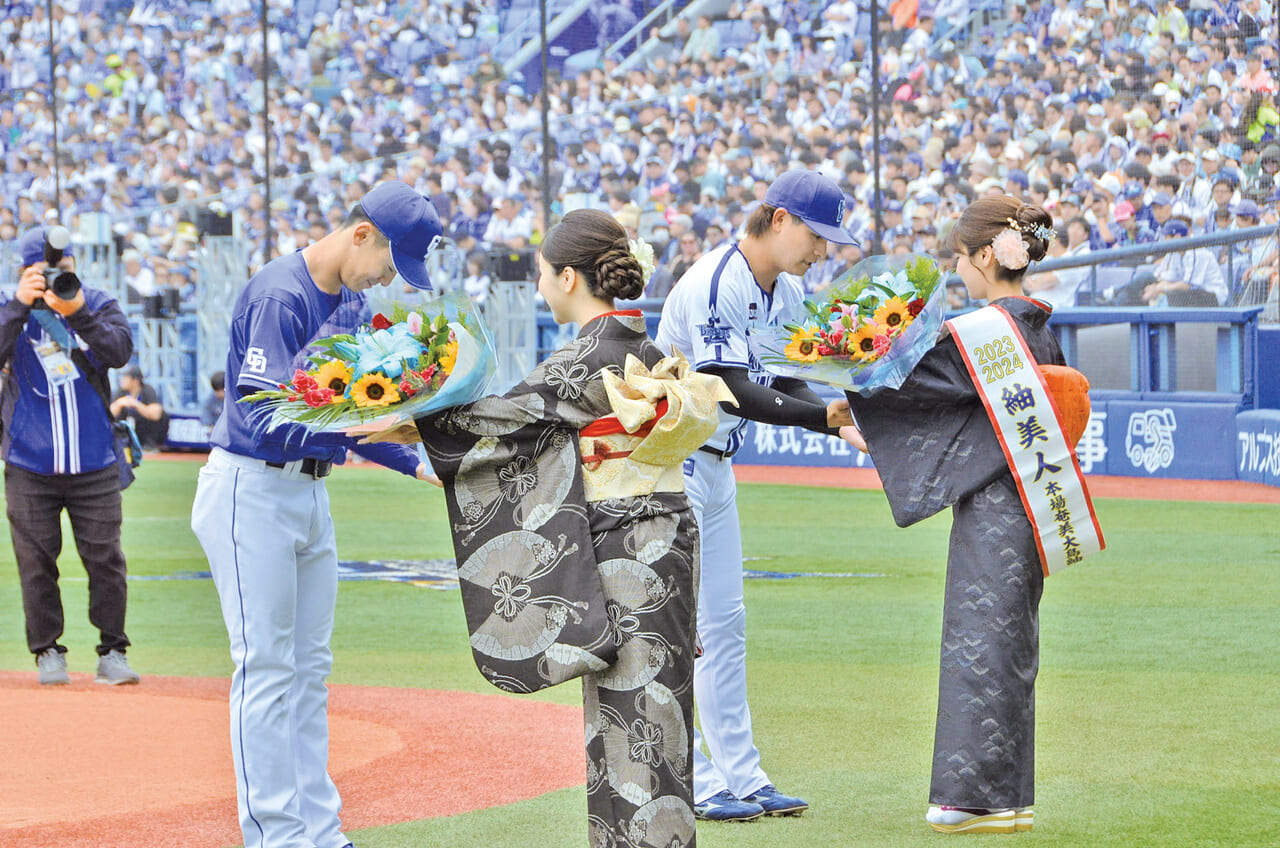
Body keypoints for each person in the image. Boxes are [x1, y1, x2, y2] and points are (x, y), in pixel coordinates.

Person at [379, 208, 733, 846]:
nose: (541, 286)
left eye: (544, 274)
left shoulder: (591, 355)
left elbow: (507, 417)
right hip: (667, 543)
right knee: (654, 712)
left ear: (570, 277)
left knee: (631, 719)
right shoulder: (641, 346)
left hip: (626, 549)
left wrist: (409, 421)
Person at [190, 181, 443, 848]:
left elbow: (356, 415)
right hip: (253, 490)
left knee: (308, 669)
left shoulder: (353, 299)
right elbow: (268, 415)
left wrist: (419, 459)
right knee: (267, 667)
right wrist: (382, 439)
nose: (391, 278)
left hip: (307, 493)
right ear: (362, 235)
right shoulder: (281, 293)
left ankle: (319, 831)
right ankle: (276, 835)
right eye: (390, 262)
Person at [844, 195, 1097, 835]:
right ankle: (1006, 795)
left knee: (979, 643)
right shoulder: (1037, 325)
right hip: (1028, 499)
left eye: (960, 256)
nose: (957, 268)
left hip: (995, 507)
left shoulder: (985, 334)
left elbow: (905, 384)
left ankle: (973, 797)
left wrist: (851, 353)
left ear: (987, 254)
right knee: (1011, 644)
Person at [654, 169, 860, 822]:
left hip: (714, 465)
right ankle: (692, 775)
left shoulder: (787, 287)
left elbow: (789, 376)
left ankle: (741, 774)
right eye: (816, 235)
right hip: (668, 458)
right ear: (777, 220)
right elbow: (730, 388)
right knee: (682, 629)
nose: (822, 250)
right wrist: (823, 418)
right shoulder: (721, 279)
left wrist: (838, 412)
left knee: (726, 623)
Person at [0, 226, 139, 685]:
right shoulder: (10, 310)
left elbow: (119, 352)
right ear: (23, 271)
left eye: (65, 267)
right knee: (36, 562)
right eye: (43, 270)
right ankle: (47, 651)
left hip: (94, 460)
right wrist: (20, 305)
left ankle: (113, 650)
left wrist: (78, 312)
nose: (57, 275)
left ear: (75, 265)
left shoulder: (97, 303)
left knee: (106, 560)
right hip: (29, 463)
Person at [110, 363, 169, 450]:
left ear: (135, 380)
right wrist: (119, 404)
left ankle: (151, 445)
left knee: (163, 416)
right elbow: (109, 414)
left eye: (126, 378)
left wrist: (136, 404)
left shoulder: (147, 390)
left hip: (144, 430)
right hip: (125, 432)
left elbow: (156, 414)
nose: (122, 380)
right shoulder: (120, 392)